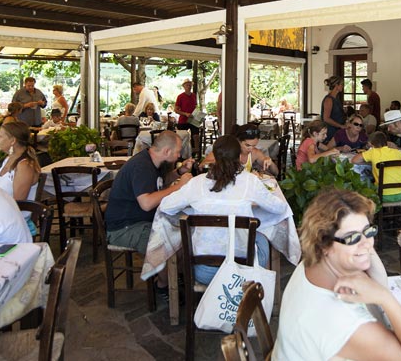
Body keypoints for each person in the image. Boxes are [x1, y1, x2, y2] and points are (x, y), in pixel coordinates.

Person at [272, 188, 401, 361]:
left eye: (368, 231)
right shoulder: (347, 324)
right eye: (352, 238)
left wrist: (361, 245)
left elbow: (371, 261)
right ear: (324, 245)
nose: (366, 243)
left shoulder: (311, 265)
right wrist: (386, 298)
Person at [160, 135, 288, 284]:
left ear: (214, 157)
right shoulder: (250, 181)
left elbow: (165, 206)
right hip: (242, 271)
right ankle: (255, 293)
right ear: (240, 157)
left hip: (203, 271)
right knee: (262, 238)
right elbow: (280, 208)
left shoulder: (197, 183)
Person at [104, 131, 193, 292]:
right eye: (178, 151)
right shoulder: (141, 166)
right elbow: (147, 203)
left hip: (140, 220)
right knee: (168, 246)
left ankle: (171, 277)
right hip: (124, 227)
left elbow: (161, 182)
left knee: (183, 237)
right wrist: (178, 187)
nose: (180, 156)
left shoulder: (153, 161)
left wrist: (179, 172)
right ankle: (163, 285)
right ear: (166, 151)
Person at [199, 124, 278, 177]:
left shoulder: (254, 153)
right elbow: (202, 166)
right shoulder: (226, 150)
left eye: (254, 145)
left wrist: (270, 163)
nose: (250, 149)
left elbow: (276, 172)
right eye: (247, 145)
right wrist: (222, 162)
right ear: (238, 141)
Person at [352, 131, 401, 202]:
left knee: (366, 187)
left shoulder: (373, 152)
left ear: (371, 144)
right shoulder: (396, 152)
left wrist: (371, 162)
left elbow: (354, 160)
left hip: (383, 195)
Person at [0, 122, 42, 201]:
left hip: (13, 212)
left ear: (13, 140)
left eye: (0, 136)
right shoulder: (8, 159)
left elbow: (19, 202)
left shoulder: (24, 166)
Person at [174, 79, 200, 149]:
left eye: (190, 85)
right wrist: (185, 114)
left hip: (193, 119)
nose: (189, 86)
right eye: (187, 85)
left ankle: (197, 153)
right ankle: (181, 152)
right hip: (183, 120)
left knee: (196, 136)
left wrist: (198, 114)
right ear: (184, 86)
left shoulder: (194, 96)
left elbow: (195, 107)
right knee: (182, 137)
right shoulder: (180, 96)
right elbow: (176, 110)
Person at [321, 76, 345, 142]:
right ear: (336, 85)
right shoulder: (329, 99)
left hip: (336, 131)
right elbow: (326, 118)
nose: (342, 86)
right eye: (341, 84)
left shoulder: (336, 98)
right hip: (330, 131)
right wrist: (340, 126)